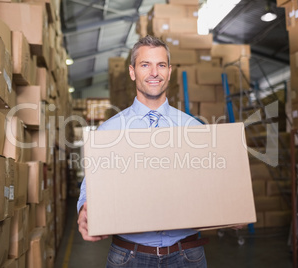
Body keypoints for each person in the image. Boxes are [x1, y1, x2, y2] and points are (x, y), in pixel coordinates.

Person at [77, 35, 208, 268]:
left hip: (187, 254)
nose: (154, 73)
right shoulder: (110, 130)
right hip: (129, 255)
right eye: (145, 65)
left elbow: (211, 185)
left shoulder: (193, 128)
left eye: (161, 65)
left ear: (170, 71)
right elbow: (93, 184)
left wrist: (232, 212)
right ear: (132, 71)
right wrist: (85, 209)